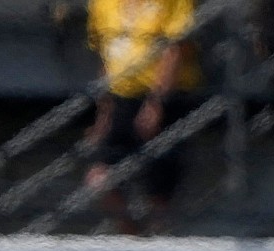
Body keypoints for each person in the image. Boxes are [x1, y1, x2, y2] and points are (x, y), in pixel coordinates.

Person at [85, 0, 201, 233]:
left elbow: (176, 48)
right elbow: (105, 57)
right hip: (121, 96)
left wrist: (156, 104)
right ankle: (132, 236)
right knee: (99, 178)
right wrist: (103, 113)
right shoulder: (102, 3)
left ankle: (158, 241)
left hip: (164, 94)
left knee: (158, 185)